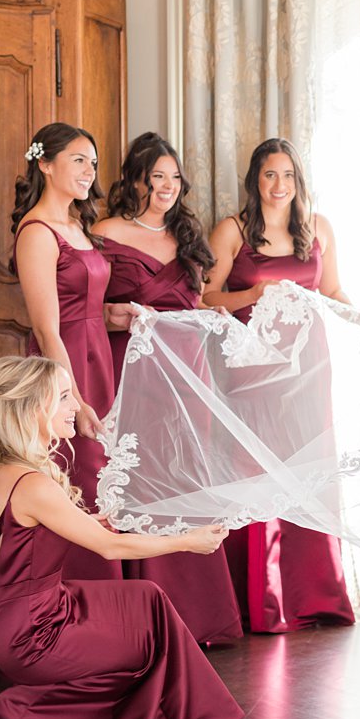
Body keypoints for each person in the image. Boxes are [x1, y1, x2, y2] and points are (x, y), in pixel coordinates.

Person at [0, 356, 243, 719]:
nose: (76, 406)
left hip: (12, 618)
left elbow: (27, 539)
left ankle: (176, 713)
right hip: (31, 635)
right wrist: (186, 542)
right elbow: (108, 548)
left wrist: (85, 521)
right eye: (65, 396)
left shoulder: (5, 468)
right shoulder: (34, 483)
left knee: (148, 601)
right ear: (36, 407)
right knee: (143, 642)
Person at [200, 138, 360, 632]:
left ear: (299, 181)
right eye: (269, 175)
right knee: (254, 467)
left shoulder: (318, 228)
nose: (279, 186)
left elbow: (332, 291)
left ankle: (314, 595)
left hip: (308, 365)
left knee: (308, 464)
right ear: (254, 180)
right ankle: (257, 599)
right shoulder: (232, 230)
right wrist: (254, 293)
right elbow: (204, 297)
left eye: (288, 176)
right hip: (252, 366)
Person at [94, 132, 242, 645]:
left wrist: (211, 315)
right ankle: (144, 617)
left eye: (174, 177)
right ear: (135, 178)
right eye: (156, 176)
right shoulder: (105, 232)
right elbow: (91, 304)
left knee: (185, 478)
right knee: (139, 476)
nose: (166, 186)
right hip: (133, 372)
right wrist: (117, 318)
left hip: (187, 373)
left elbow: (191, 307)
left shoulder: (187, 235)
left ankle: (197, 617)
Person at [11, 122, 126, 581]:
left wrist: (123, 316)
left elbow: (87, 304)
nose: (89, 171)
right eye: (79, 160)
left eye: (92, 163)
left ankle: (120, 602)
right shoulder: (36, 232)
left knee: (106, 478)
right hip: (65, 368)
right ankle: (83, 601)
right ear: (45, 163)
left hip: (99, 357)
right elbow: (47, 326)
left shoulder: (78, 224)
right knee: (80, 477)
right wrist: (72, 400)